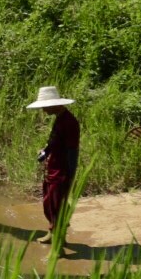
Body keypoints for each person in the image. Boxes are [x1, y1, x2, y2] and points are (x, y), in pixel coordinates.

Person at [29, 86, 81, 231]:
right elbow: (54, 141)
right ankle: (53, 230)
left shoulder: (70, 122)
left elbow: (73, 151)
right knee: (50, 203)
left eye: (45, 106)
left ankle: (58, 245)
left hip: (62, 171)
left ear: (55, 104)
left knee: (58, 205)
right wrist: (45, 151)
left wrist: (70, 176)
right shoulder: (59, 119)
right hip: (53, 168)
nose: (43, 110)